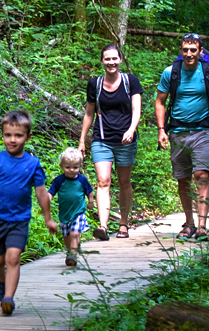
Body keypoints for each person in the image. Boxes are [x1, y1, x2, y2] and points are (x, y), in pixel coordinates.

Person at [0, 109, 58, 316]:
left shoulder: (33, 164)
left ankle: (8, 299)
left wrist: (48, 219)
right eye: (8, 135)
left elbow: (41, 194)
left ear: (28, 137)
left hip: (19, 220)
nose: (12, 140)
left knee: (13, 258)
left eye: (18, 135)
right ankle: (1, 281)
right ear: (2, 134)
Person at [155, 33, 209, 241]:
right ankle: (189, 223)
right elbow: (160, 101)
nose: (189, 54)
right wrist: (161, 129)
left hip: (203, 131)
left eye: (193, 50)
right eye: (185, 50)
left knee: (202, 176)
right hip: (177, 132)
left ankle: (202, 226)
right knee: (183, 180)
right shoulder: (171, 73)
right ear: (181, 51)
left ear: (200, 51)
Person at [78, 44, 143, 241]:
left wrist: (131, 130)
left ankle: (123, 224)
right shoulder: (95, 84)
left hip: (125, 140)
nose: (111, 62)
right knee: (103, 181)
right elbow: (89, 113)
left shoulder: (130, 81)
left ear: (120, 60)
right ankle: (103, 226)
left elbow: (136, 110)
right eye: (107, 59)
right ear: (101, 61)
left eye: (114, 59)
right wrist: (82, 140)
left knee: (124, 182)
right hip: (101, 139)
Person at [48, 148, 95, 267]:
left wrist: (90, 202)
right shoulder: (59, 180)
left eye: (75, 167)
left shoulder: (82, 180)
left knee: (74, 233)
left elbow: (89, 191)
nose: (71, 170)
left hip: (78, 212)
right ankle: (71, 251)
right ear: (61, 166)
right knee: (66, 237)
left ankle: (73, 254)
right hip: (64, 214)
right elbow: (51, 192)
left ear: (80, 166)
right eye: (68, 167)